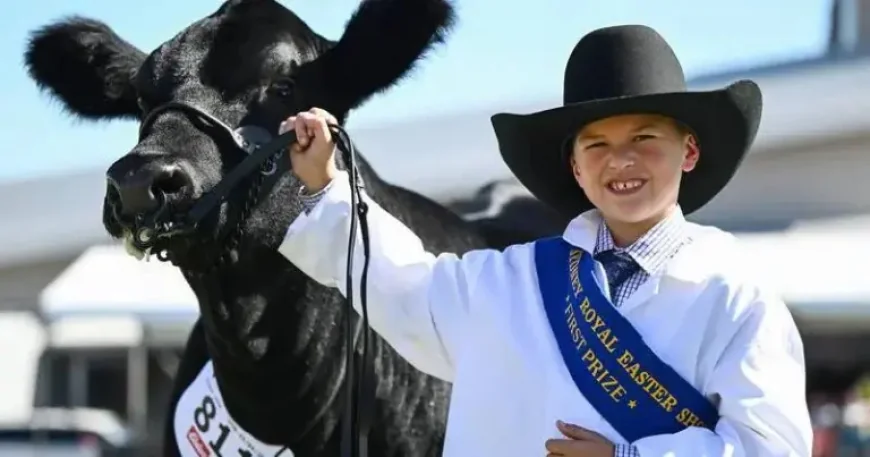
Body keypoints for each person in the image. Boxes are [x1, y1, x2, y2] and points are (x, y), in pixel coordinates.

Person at [277, 24, 813, 457]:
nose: (620, 160)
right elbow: (402, 282)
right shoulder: (511, 280)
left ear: (688, 152)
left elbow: (772, 448)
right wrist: (326, 184)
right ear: (577, 169)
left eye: (644, 138)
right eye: (596, 144)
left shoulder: (736, 295)